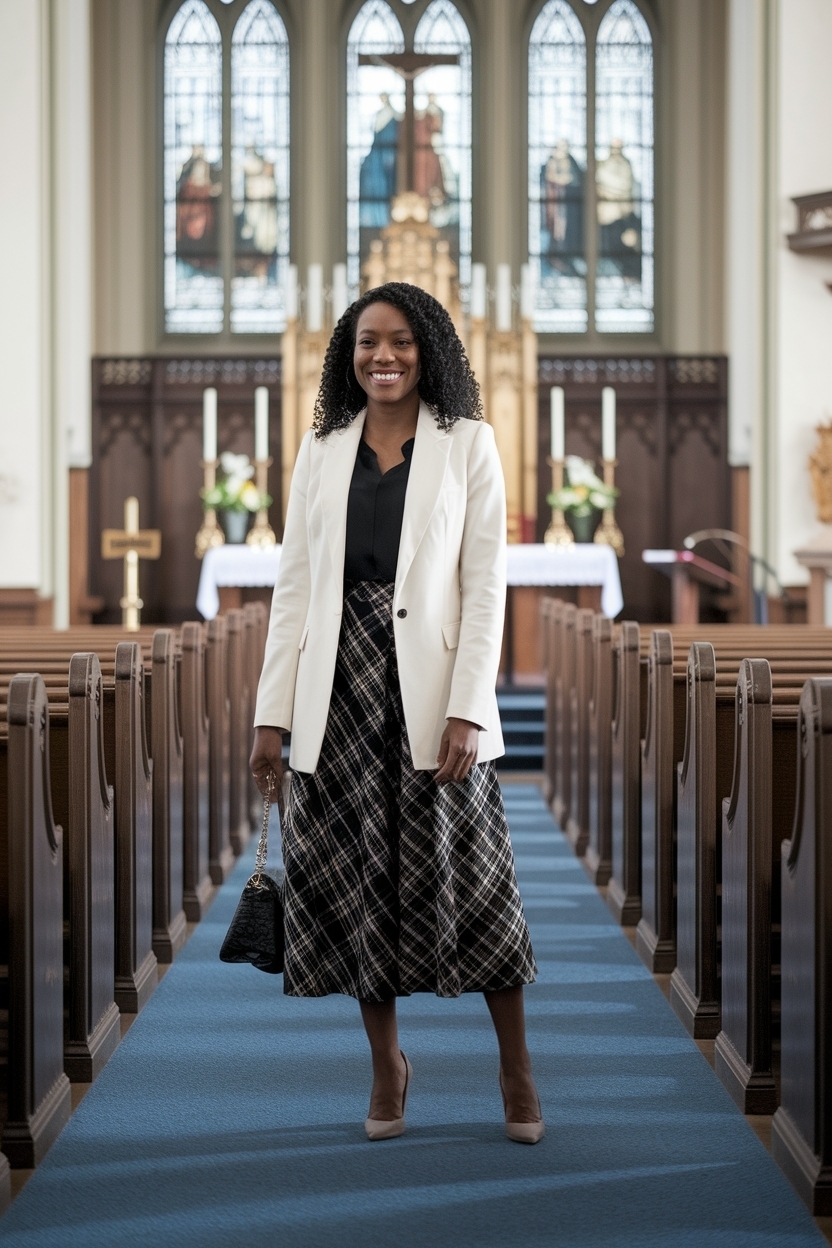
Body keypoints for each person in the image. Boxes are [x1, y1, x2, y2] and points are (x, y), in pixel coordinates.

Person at [249, 282, 543, 1146]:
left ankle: (516, 1070)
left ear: (431, 350)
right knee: (354, 883)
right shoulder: (322, 450)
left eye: (403, 342)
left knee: (478, 882)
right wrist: (272, 716)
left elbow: (486, 590)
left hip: (435, 693)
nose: (385, 356)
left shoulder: (469, 445)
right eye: (369, 342)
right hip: (337, 690)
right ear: (349, 352)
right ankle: (387, 1065)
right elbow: (295, 589)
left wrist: (467, 710)